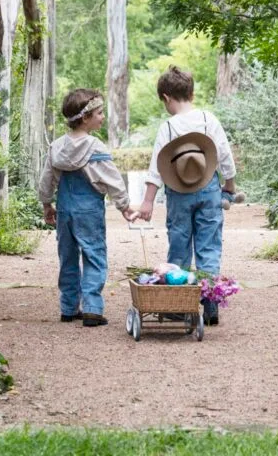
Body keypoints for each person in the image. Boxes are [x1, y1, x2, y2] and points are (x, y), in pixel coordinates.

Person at [138, 66, 237, 326]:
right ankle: (210, 300)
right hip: (209, 190)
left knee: (179, 248)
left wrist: (148, 201)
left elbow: (157, 167)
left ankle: (178, 305)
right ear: (191, 93)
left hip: (179, 193)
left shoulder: (168, 128)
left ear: (166, 97)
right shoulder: (208, 119)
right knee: (209, 247)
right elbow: (225, 156)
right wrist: (230, 186)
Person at [39, 88, 137, 327]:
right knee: (93, 255)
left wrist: (46, 204)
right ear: (85, 118)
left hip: (64, 209)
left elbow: (46, 179)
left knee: (68, 256)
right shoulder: (95, 147)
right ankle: (92, 308)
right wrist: (124, 205)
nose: (103, 117)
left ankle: (68, 308)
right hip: (89, 210)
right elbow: (112, 178)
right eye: (100, 113)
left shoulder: (57, 147)